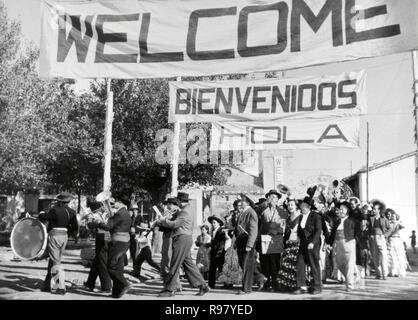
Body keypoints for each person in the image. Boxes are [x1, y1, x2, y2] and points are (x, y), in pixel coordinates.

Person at [157, 193, 209, 297]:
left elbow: (175, 224)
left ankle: (170, 289)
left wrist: (163, 221)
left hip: (182, 238)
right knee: (188, 264)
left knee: (175, 264)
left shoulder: (185, 211)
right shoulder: (187, 209)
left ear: (180, 201)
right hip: (184, 238)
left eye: (177, 201)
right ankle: (202, 285)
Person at [91, 194, 132, 298]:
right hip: (124, 241)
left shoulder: (119, 214)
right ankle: (116, 293)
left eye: (116, 202)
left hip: (118, 242)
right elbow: (115, 225)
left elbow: (108, 227)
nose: (114, 204)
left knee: (111, 267)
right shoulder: (125, 213)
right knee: (118, 267)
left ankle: (125, 284)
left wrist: (98, 223)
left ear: (121, 203)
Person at [40, 192, 78, 295]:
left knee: (56, 262)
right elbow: (75, 227)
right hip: (64, 237)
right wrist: (67, 232)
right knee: (54, 260)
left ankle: (60, 288)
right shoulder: (72, 212)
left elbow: (44, 217)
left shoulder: (55, 210)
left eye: (57, 201)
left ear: (60, 202)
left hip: (55, 236)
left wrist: (41, 213)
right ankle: (47, 285)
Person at [257, 189, 287, 291]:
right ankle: (266, 282)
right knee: (264, 261)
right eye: (270, 197)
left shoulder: (282, 211)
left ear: (278, 199)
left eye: (274, 197)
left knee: (275, 262)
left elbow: (283, 226)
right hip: (264, 238)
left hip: (276, 239)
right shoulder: (263, 210)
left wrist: (277, 231)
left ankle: (275, 283)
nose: (272, 199)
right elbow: (259, 221)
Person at [293, 196, 322, 295]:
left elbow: (318, 231)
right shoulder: (301, 216)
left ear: (308, 207)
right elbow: (300, 229)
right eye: (301, 206)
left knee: (314, 264)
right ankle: (301, 286)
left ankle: (317, 286)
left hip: (312, 244)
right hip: (303, 243)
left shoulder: (316, 216)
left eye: (303, 206)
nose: (301, 207)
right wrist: (298, 236)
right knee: (300, 264)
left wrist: (313, 242)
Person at [329, 201, 359, 291]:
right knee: (339, 263)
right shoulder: (337, 221)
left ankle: (349, 285)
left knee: (349, 264)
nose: (341, 211)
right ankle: (353, 276)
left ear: (347, 210)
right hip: (338, 244)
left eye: (343, 209)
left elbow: (358, 233)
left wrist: (359, 244)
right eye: (340, 209)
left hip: (349, 243)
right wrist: (329, 243)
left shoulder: (352, 220)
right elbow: (332, 234)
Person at [83, 198, 112, 293]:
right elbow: (90, 226)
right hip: (100, 238)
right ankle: (90, 283)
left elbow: (110, 225)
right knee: (96, 261)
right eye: (103, 204)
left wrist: (100, 222)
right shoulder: (96, 215)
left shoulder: (111, 214)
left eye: (106, 204)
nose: (105, 206)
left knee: (102, 262)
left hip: (106, 239)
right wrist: (93, 221)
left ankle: (106, 286)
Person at [234, 194, 259, 295]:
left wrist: (250, 244)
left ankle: (246, 288)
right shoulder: (243, 213)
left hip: (247, 240)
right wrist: (236, 242)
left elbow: (253, 230)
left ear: (247, 203)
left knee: (247, 265)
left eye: (243, 201)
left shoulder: (251, 212)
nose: (241, 203)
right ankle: (259, 279)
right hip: (241, 240)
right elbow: (238, 229)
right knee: (242, 264)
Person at [277, 197, 301, 292]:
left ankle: (296, 284)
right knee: (286, 263)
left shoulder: (300, 217)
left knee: (294, 264)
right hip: (288, 243)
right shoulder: (287, 218)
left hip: (297, 243)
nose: (290, 207)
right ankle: (287, 283)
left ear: (296, 206)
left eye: (292, 205)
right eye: (289, 205)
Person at [218, 200, 242, 289]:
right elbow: (228, 226)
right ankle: (228, 281)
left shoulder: (243, 214)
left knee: (237, 261)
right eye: (236, 206)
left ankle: (239, 280)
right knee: (229, 261)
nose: (238, 207)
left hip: (239, 238)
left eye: (239, 206)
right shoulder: (231, 215)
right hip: (231, 239)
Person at [368, 199, 391, 280]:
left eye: (375, 209)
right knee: (375, 256)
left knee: (383, 256)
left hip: (381, 238)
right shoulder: (371, 218)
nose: (373, 210)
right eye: (373, 209)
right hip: (373, 238)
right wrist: (370, 235)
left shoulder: (384, 219)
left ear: (379, 210)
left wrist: (385, 235)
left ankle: (385, 274)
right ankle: (379, 274)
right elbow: (368, 228)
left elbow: (389, 228)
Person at [386, 209, 407, 277]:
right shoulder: (389, 223)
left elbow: (403, 229)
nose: (392, 217)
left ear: (396, 217)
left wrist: (398, 224)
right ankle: (392, 271)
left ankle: (399, 271)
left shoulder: (399, 223)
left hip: (397, 240)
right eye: (391, 216)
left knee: (398, 255)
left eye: (394, 216)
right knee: (391, 255)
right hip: (390, 240)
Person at [207, 214, 226, 289]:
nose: (213, 224)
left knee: (221, 268)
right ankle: (211, 284)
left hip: (220, 252)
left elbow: (221, 243)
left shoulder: (221, 231)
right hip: (213, 251)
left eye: (214, 222)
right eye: (212, 223)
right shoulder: (213, 231)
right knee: (212, 268)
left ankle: (227, 282)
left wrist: (219, 251)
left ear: (219, 223)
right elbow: (214, 241)